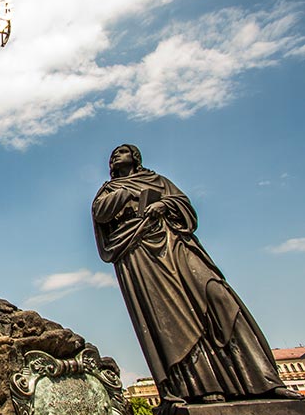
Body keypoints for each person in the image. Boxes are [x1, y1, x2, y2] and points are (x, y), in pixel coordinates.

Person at [92, 145, 302, 407]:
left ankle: (264, 380)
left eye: (122, 151)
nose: (115, 155)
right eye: (113, 154)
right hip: (141, 253)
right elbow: (100, 213)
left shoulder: (158, 181)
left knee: (218, 295)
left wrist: (162, 204)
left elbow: (184, 206)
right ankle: (203, 388)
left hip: (175, 242)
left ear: (135, 157)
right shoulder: (109, 190)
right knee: (172, 318)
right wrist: (123, 195)